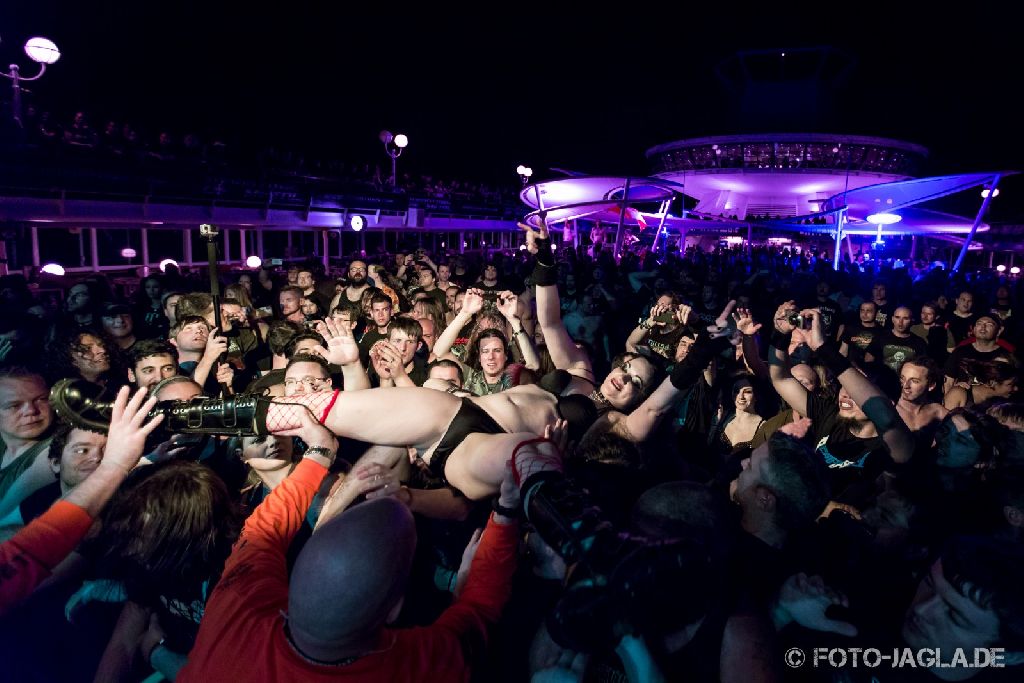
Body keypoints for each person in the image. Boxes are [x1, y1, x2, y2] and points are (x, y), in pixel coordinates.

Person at [176, 409, 521, 682]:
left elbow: (264, 529)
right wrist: (505, 515)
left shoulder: (234, 606)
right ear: (393, 611)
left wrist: (319, 453)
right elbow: (479, 615)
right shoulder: (416, 666)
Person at [0, 386, 162, 616]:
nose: (95, 457)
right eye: (81, 450)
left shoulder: (137, 511)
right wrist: (114, 465)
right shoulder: (39, 499)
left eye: (107, 449)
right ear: (55, 463)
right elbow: (23, 559)